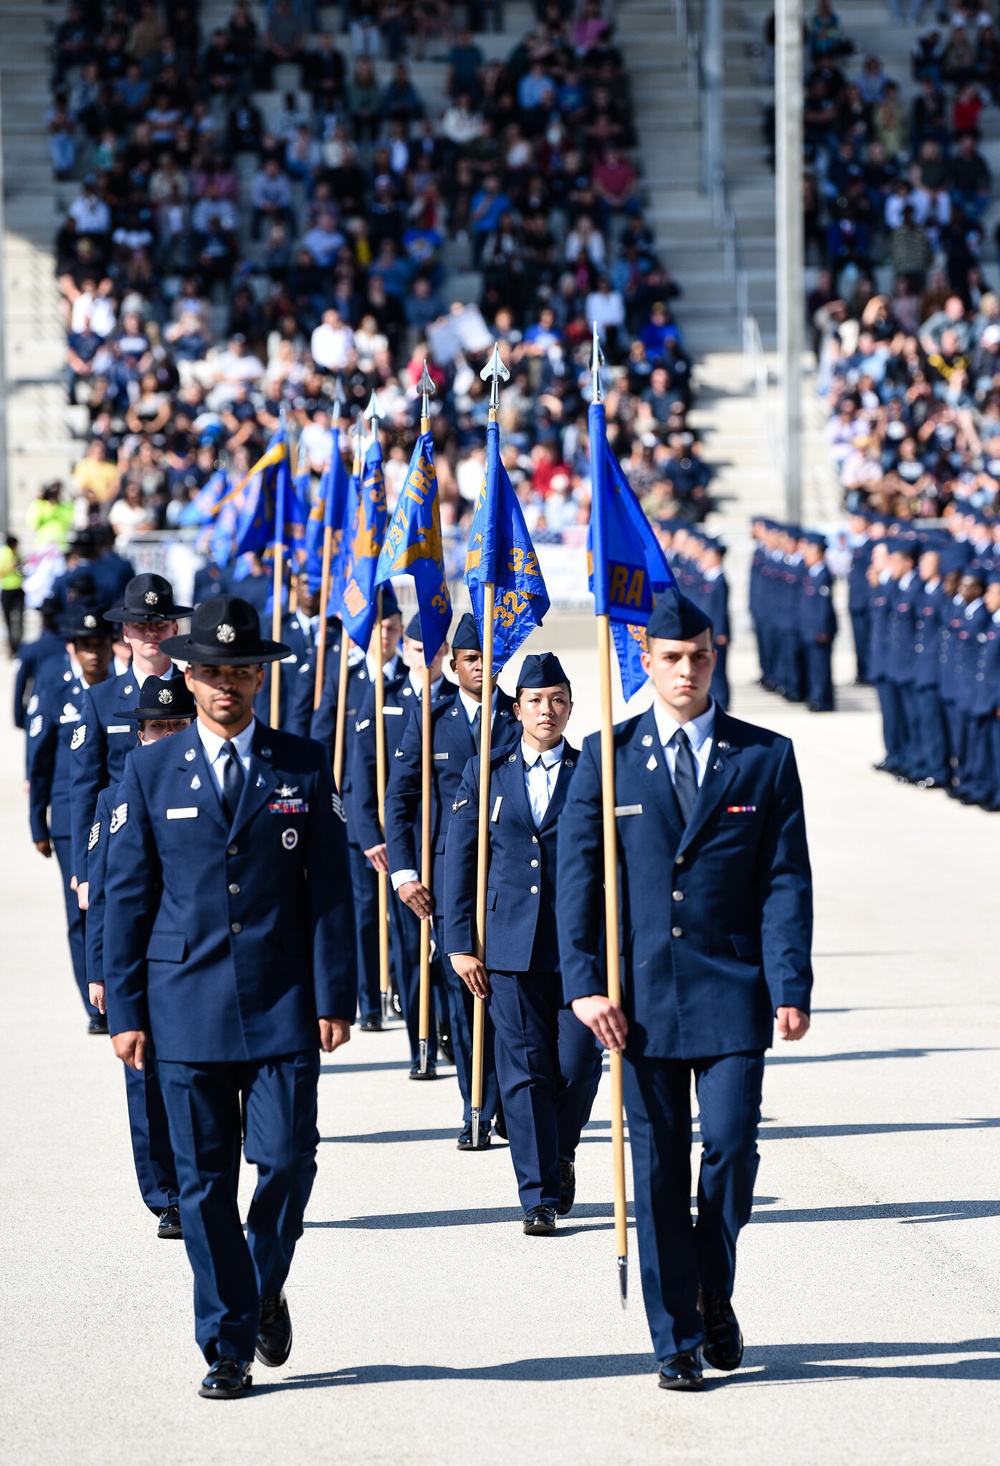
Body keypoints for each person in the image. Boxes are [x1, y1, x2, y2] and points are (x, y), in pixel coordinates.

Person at [558, 592, 813, 1391]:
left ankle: (711, 1284)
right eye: (671, 657)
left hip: (733, 988)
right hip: (637, 1000)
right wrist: (584, 985)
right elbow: (579, 882)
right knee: (659, 1168)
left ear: (716, 655)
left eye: (699, 656)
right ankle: (674, 1341)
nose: (686, 670)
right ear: (646, 658)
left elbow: (785, 879)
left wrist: (790, 982)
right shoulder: (607, 755)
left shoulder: (764, 755)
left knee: (732, 1148)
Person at [103, 596, 356, 1399]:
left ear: (259, 676)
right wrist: (126, 1011)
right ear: (189, 672)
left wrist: (336, 993)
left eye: (239, 670)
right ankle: (227, 1342)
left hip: (283, 999)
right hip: (183, 1006)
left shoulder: (304, 765)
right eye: (210, 671)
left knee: (287, 1161)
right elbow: (127, 897)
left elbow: (330, 894)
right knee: (205, 1183)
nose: (225, 685)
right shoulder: (148, 769)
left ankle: (260, 1281)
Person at [444, 652, 602, 1233]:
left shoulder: (595, 773)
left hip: (581, 948)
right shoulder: (488, 773)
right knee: (524, 1070)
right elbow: (462, 859)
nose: (547, 710)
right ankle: (537, 1192)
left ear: (570, 708)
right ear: (517, 709)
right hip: (507, 946)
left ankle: (560, 1149)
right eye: (536, 700)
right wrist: (459, 941)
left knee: (578, 1063)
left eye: (558, 700)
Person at [385, 612, 518, 1148]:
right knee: (463, 994)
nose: (481, 667)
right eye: (470, 660)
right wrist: (404, 872)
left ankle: (512, 1101)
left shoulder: (520, 712)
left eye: (488, 657)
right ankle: (474, 1105)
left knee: (510, 994)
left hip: (511, 876)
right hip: (449, 878)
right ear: (453, 664)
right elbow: (400, 798)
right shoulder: (429, 716)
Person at [86, 676, 197, 1239]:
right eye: (158, 727)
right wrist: (100, 971)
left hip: (198, 961)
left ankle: (204, 1184)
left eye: (180, 724)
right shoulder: (116, 799)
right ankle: (167, 1195)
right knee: (145, 1080)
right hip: (139, 963)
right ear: (140, 735)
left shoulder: (213, 786)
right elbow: (104, 892)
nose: (169, 735)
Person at [350, 613, 453, 1077]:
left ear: (445, 655)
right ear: (404, 651)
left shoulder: (457, 702)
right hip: (403, 844)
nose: (425, 658)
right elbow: (362, 775)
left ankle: (452, 1031)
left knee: (453, 947)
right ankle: (421, 1041)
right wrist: (372, 836)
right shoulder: (383, 700)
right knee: (411, 947)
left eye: (434, 650)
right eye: (416, 649)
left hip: (451, 845)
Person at [69, 573, 192, 907]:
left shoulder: (197, 691)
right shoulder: (101, 699)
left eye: (161, 624)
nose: (151, 633)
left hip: (189, 842)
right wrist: (83, 872)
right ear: (126, 632)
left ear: (175, 629)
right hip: (121, 842)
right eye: (140, 625)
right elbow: (85, 789)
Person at [310, 584, 402, 1032]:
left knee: (403, 914)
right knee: (364, 912)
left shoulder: (408, 679)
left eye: (393, 628)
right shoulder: (343, 677)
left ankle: (402, 989)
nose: (386, 636)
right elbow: (323, 745)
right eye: (379, 628)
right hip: (355, 816)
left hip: (402, 815)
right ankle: (369, 998)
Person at [27, 600, 114, 1031]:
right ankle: (94, 1005)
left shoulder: (127, 690)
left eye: (100, 643)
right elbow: (39, 756)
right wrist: (35, 822)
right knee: (81, 908)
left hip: (116, 815)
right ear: (71, 649)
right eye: (85, 645)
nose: (94, 652)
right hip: (68, 819)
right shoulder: (55, 685)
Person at [799, 532, 837, 712]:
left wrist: (822, 629)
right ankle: (816, 695)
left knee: (820, 667)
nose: (806, 555)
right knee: (813, 665)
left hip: (819, 630)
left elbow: (823, 606)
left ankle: (822, 699)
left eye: (810, 551)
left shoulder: (822, 574)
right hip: (809, 628)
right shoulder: (812, 573)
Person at [0, 534, 25, 655]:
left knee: (19, 618)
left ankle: (19, 644)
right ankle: (12, 647)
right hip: (7, 590)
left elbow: (21, 569)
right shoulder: (3, 554)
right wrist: (10, 567)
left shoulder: (17, 554)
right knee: (8, 620)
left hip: (19, 589)